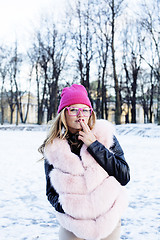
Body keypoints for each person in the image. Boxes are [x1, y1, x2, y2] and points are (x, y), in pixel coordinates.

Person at [38, 84, 130, 240]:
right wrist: (71, 208)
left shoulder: (105, 136)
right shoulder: (54, 147)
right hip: (74, 226)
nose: (80, 115)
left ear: (90, 113)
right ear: (63, 113)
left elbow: (124, 175)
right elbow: (51, 192)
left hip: (108, 220)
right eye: (73, 109)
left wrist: (95, 145)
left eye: (85, 109)